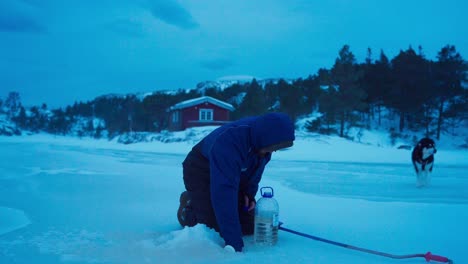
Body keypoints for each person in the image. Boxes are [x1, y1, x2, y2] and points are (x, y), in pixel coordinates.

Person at [177, 112, 295, 252]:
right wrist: (234, 243)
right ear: (265, 138)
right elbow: (224, 192)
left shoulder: (263, 143)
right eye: (273, 147)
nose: (273, 151)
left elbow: (255, 172)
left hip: (230, 173)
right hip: (201, 170)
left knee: (251, 225)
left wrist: (248, 195)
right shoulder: (230, 142)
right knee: (212, 226)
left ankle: (206, 205)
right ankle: (189, 206)